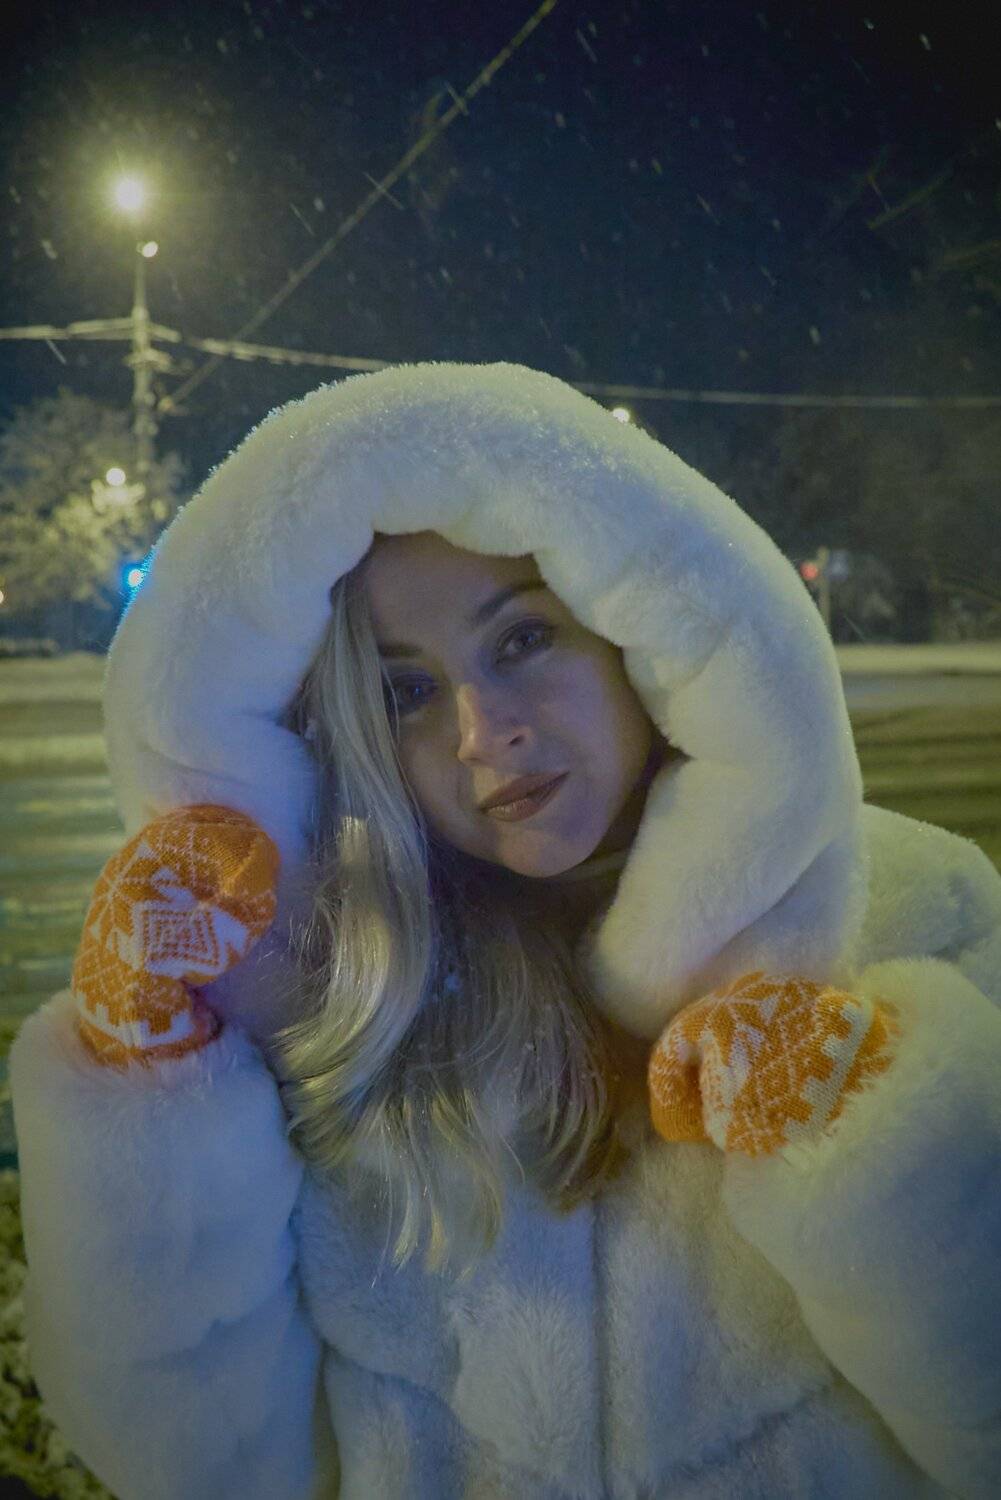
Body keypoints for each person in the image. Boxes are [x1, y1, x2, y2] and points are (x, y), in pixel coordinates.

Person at [10, 361, 1001, 1500]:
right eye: (407, 693)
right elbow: (202, 1468)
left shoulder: (909, 913)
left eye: (523, 639)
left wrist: (872, 1134)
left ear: (638, 634)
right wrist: (153, 1090)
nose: (484, 733)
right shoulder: (336, 1012)